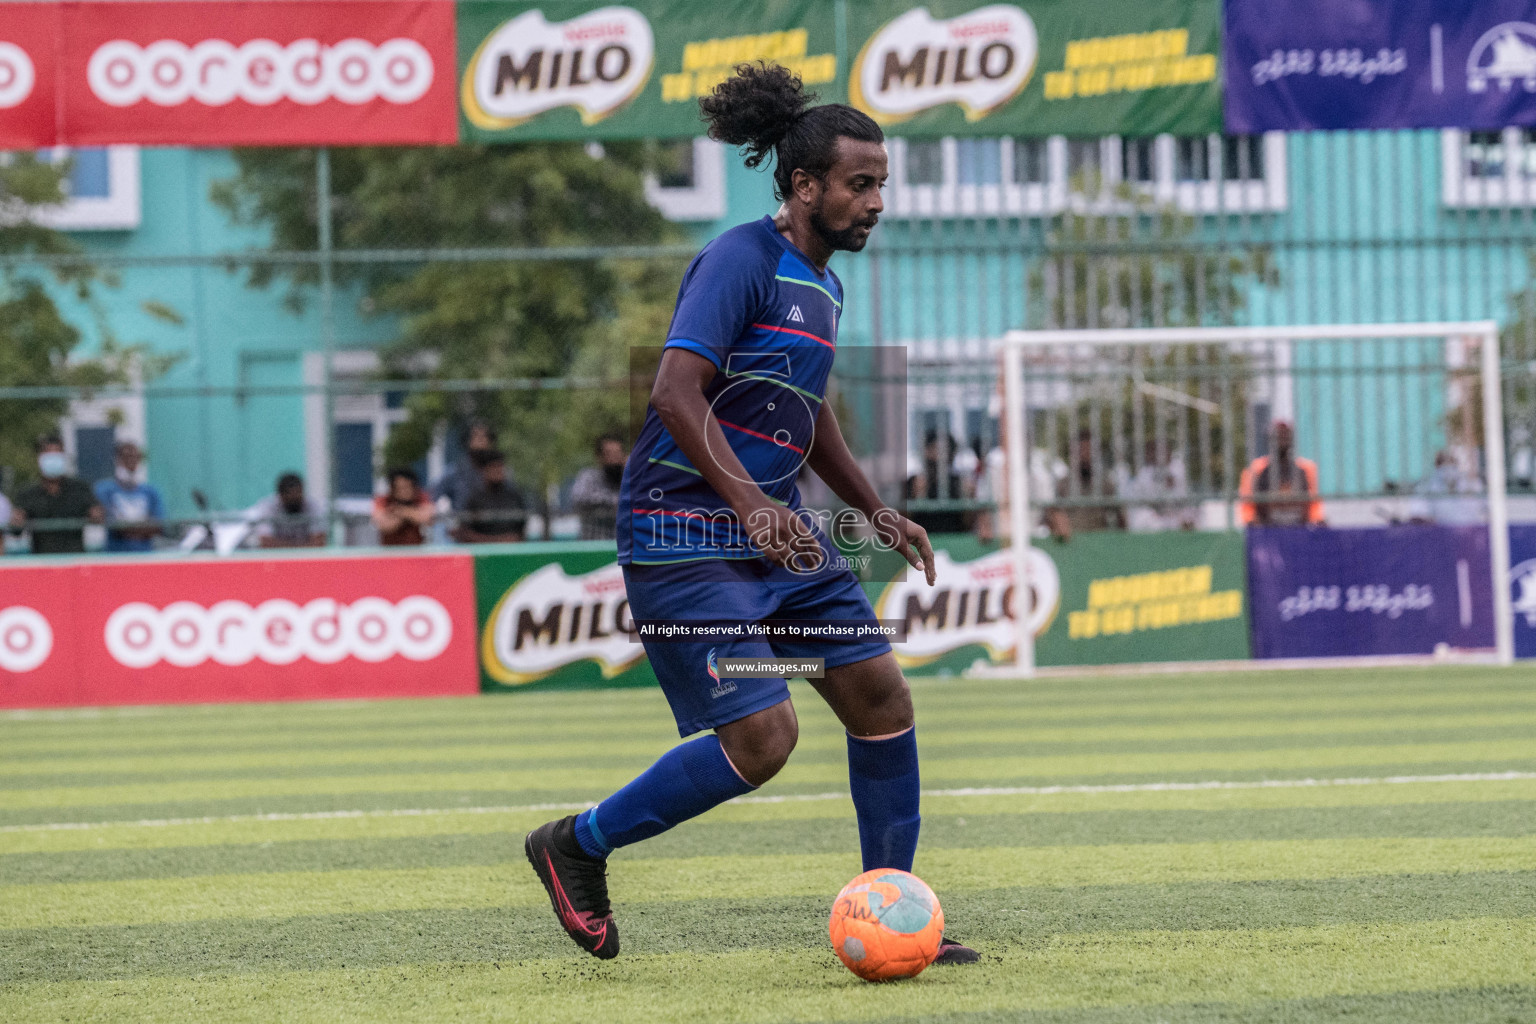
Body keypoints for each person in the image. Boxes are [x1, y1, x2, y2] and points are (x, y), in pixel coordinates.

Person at [523, 62, 977, 967]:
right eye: (860, 184)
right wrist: (747, 502)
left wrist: (875, 510)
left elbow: (803, 412)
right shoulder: (740, 258)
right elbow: (674, 390)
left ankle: (892, 905)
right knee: (763, 740)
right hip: (684, 539)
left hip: (778, 540)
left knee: (881, 697)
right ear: (804, 184)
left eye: (882, 183)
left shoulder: (825, 283)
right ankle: (576, 843)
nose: (876, 201)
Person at [8, 435, 102, 555]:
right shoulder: (27, 494)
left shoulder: (80, 489)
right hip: (42, 562)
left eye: (57, 454)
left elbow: (97, 516)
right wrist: (17, 521)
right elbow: (16, 530)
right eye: (48, 454)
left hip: (75, 561)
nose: (53, 459)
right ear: (39, 458)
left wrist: (96, 514)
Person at [1238, 420, 1324, 527]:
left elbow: (1314, 503)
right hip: (1266, 530)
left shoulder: (1306, 468)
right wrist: (1251, 523)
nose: (1282, 439)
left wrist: (1317, 520)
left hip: (1300, 530)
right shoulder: (1256, 468)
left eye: (1286, 435)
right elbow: (1247, 504)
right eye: (1278, 435)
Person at [1046, 428, 1124, 541]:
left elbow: (1121, 520)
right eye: (1081, 451)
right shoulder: (1063, 484)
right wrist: (1055, 519)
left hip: (1099, 544)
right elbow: (1048, 517)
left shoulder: (1105, 484)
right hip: (1070, 545)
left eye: (1089, 451)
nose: (1085, 456)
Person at [93, 441, 166, 553]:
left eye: (135, 458)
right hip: (115, 555)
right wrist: (141, 528)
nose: (131, 462)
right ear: (117, 460)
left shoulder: (151, 492)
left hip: (145, 554)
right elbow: (110, 523)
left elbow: (158, 526)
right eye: (126, 457)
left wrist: (128, 529)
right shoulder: (104, 489)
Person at [455, 450, 527, 542]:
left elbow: (521, 530)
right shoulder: (474, 498)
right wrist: (496, 541)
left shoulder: (515, 496)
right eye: (494, 467)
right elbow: (465, 532)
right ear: (484, 470)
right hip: (482, 552)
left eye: (500, 466)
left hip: (511, 551)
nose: (498, 471)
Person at [431, 420, 500, 513]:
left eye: (485, 436)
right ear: (467, 441)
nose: (481, 440)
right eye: (476, 436)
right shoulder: (455, 471)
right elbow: (432, 495)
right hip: (464, 524)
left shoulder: (499, 471)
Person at [569, 434, 626, 541]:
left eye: (618, 454)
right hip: (593, 546)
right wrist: (616, 503)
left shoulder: (629, 479)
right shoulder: (588, 477)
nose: (614, 459)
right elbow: (579, 499)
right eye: (609, 454)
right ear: (599, 457)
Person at [246, 472, 327, 548]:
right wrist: (301, 546)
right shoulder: (268, 508)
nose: (294, 503)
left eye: (298, 499)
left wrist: (286, 546)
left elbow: (319, 542)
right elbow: (266, 542)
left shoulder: (314, 507)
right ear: (281, 496)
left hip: (307, 558)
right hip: (276, 558)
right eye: (291, 500)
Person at [371, 467, 434, 545]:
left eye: (406, 487)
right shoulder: (383, 500)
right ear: (392, 488)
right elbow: (384, 525)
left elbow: (427, 517)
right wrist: (412, 514)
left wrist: (401, 511)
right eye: (399, 488)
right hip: (389, 551)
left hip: (416, 550)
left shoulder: (421, 497)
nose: (403, 492)